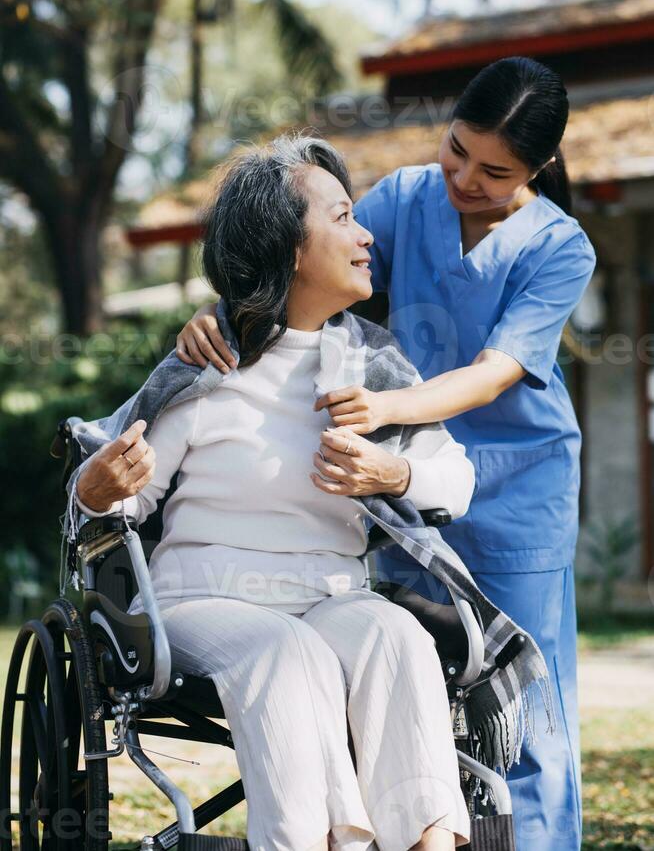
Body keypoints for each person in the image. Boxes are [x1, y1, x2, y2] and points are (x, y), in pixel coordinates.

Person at [176, 57, 597, 851]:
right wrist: (218, 311)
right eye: (456, 150)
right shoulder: (406, 198)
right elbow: (304, 259)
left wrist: (386, 408)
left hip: (517, 488)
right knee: (409, 687)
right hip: (395, 489)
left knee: (526, 712)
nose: (465, 179)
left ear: (538, 169)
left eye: (495, 170)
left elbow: (493, 373)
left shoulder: (560, 247)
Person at [75, 136, 475, 851]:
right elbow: (120, 500)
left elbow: (457, 479)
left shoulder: (374, 366)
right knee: (286, 650)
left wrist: (396, 475)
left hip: (330, 598)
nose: (365, 234)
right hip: (203, 601)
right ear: (289, 248)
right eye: (344, 217)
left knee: (398, 638)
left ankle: (429, 842)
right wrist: (99, 487)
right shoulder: (208, 362)